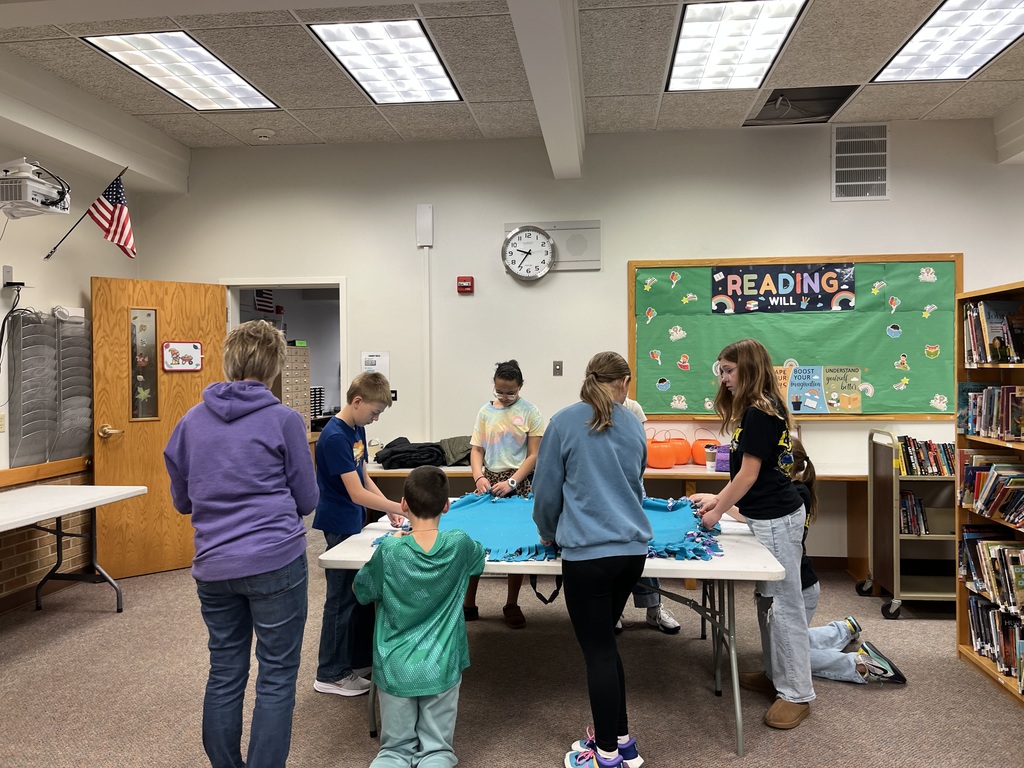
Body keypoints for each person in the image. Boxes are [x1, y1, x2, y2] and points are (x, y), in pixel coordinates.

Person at [163, 319, 319, 768]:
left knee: (225, 670)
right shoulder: (284, 420)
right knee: (277, 674)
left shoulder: (191, 421)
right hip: (275, 561)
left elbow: (182, 501)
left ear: (229, 361)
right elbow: (307, 500)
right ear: (275, 366)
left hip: (214, 564)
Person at [689, 338, 814, 730]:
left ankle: (797, 693)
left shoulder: (761, 412)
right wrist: (720, 500)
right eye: (721, 371)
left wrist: (717, 511)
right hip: (764, 515)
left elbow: (748, 475)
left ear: (749, 369)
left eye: (729, 370)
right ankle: (776, 676)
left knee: (784, 606)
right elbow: (745, 477)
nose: (723, 378)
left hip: (777, 518)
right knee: (767, 602)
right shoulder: (754, 409)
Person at [533, 352, 650, 768]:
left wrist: (547, 531)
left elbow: (546, 492)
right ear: (624, 383)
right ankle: (623, 742)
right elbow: (636, 485)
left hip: (588, 556)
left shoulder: (563, 422)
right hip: (631, 554)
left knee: (598, 651)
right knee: (605, 647)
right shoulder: (634, 424)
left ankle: (605, 755)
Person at [737, 438, 907, 689]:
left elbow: (755, 517)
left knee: (786, 655)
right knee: (784, 644)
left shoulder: (793, 495)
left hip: (799, 586)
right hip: (799, 582)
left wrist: (721, 504)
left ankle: (861, 664)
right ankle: (841, 631)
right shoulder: (788, 492)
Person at [354, 466, 486, 768]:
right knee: (437, 752)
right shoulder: (459, 543)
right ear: (446, 505)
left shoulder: (390, 550)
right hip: (441, 663)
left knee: (392, 752)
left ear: (403, 504)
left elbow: (362, 590)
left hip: (395, 665)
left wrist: (396, 542)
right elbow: (478, 559)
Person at [313, 371, 404, 697]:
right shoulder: (334, 437)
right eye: (374, 412)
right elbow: (354, 492)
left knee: (359, 594)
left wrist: (388, 509)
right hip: (338, 522)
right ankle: (330, 673)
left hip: (354, 520)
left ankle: (355, 661)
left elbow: (363, 476)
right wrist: (400, 506)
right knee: (340, 598)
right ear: (357, 401)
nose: (375, 418)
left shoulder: (356, 429)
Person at [465, 359, 545, 629]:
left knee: (516, 544)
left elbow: (534, 455)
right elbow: (477, 449)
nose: (505, 396)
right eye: (500, 391)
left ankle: (511, 603)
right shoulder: (485, 412)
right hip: (488, 482)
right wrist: (479, 477)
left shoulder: (530, 412)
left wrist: (512, 481)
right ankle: (468, 602)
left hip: (518, 482)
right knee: (478, 541)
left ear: (520, 387)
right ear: (494, 385)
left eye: (511, 392)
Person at [616, 397, 680, 635]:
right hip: (602, 487)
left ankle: (653, 607)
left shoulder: (633, 408)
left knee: (642, 545)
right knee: (610, 550)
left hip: (632, 483)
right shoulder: (587, 409)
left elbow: (639, 448)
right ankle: (613, 609)